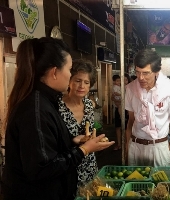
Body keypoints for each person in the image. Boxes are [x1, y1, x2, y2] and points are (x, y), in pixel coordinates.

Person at [2, 37, 114, 200]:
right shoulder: (36, 109)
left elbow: (47, 147)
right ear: (55, 72)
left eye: (86, 82)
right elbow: (42, 168)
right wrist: (84, 149)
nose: (71, 77)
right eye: (69, 71)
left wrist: (72, 140)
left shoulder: (44, 102)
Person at [125, 49, 170, 167]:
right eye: (137, 72)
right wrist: (128, 146)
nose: (140, 77)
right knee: (134, 183)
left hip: (159, 147)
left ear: (157, 71)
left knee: (160, 184)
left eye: (146, 73)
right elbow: (130, 121)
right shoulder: (131, 89)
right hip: (136, 146)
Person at [58, 59, 98, 188]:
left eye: (86, 82)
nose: (82, 86)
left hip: (89, 163)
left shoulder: (89, 105)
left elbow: (89, 134)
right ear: (69, 81)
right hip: (66, 166)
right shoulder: (57, 107)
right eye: (78, 80)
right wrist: (73, 140)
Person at [112, 73, 131, 150]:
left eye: (126, 79)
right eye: (123, 80)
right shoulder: (118, 88)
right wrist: (117, 101)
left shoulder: (130, 88)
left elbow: (129, 101)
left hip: (127, 110)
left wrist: (120, 101)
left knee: (127, 127)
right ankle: (119, 144)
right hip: (118, 108)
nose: (124, 81)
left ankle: (127, 144)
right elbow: (112, 98)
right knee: (118, 127)